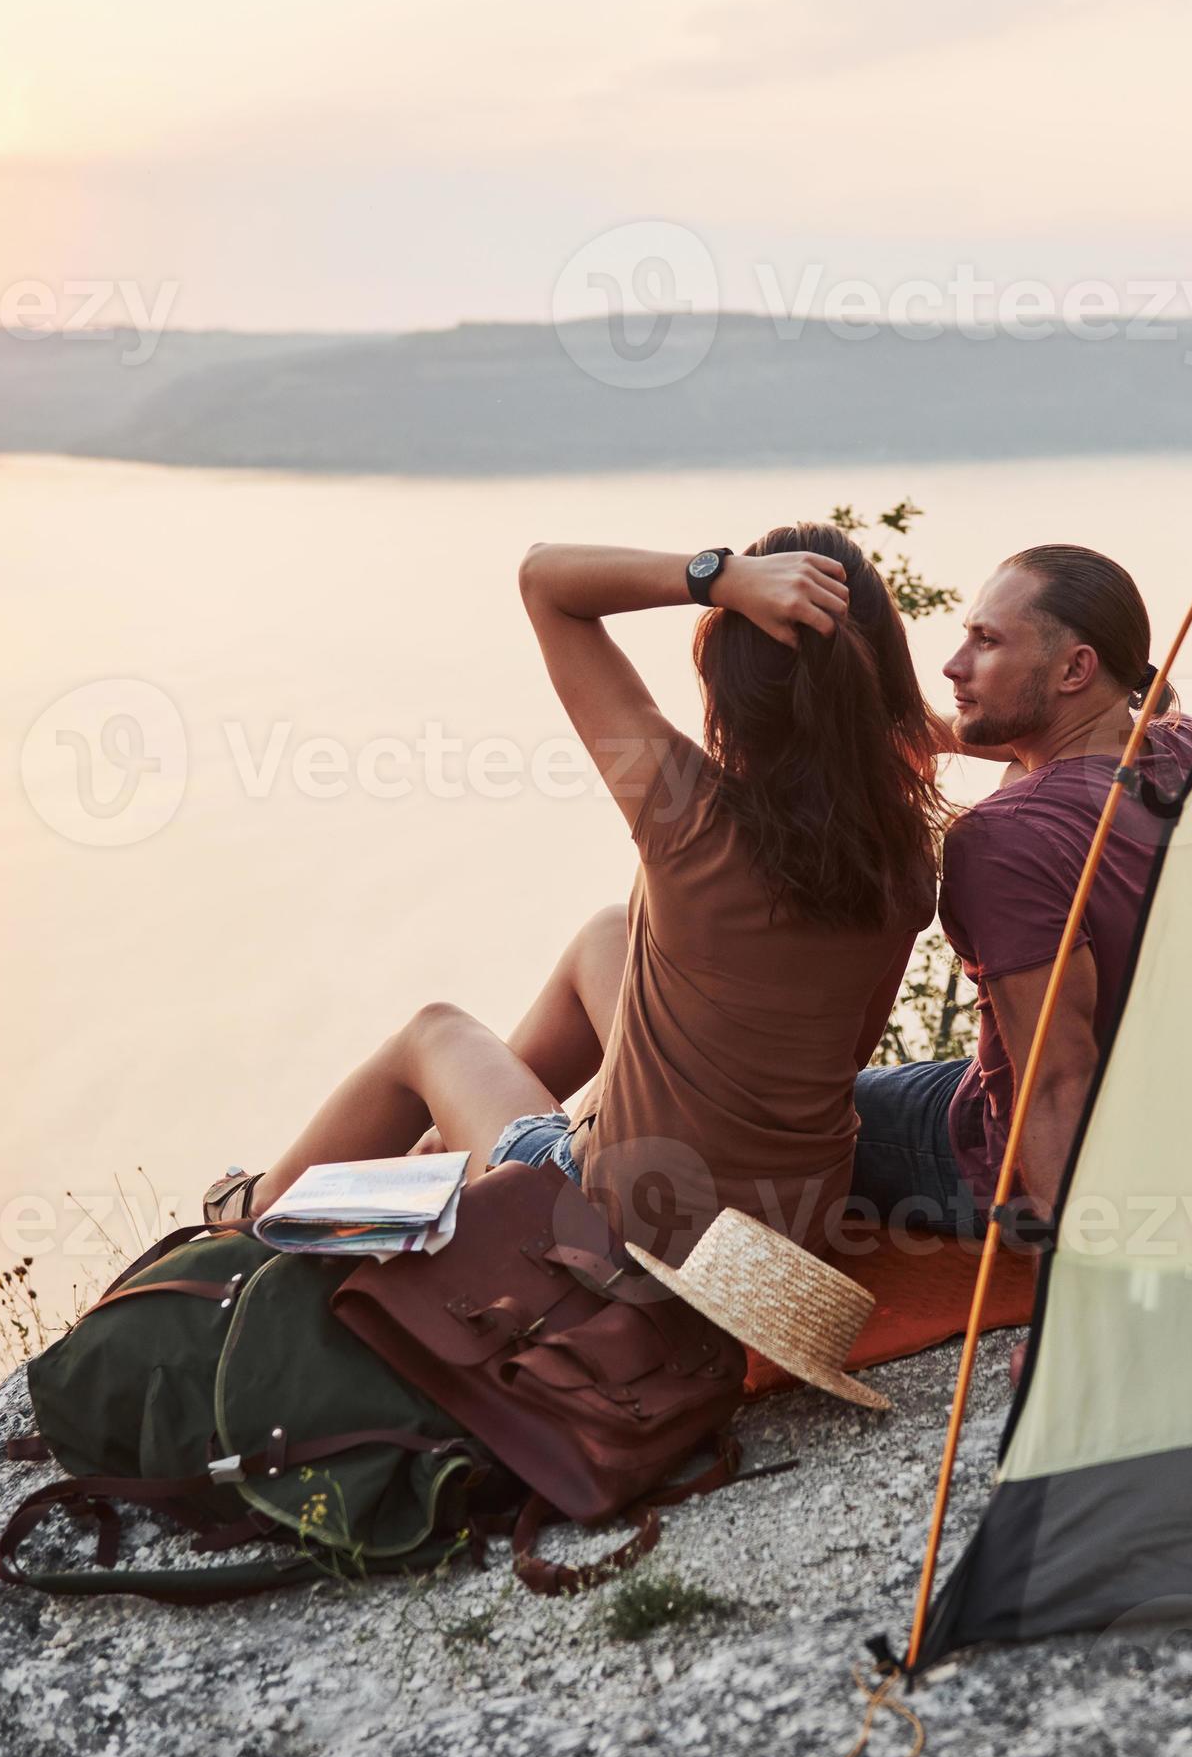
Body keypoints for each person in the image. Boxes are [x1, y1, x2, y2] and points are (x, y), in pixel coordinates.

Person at [242, 524, 946, 1263]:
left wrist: (719, 578)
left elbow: (546, 581)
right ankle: (456, 1141)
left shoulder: (687, 814)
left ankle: (254, 1213)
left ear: (732, 684)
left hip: (625, 1225)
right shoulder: (901, 864)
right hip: (791, 1228)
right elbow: (835, 1060)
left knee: (434, 1031)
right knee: (608, 935)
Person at [848, 544, 1192, 1240]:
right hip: (1177, 1109)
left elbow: (1055, 1084)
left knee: (806, 1118)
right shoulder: (1185, 745)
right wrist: (948, 735)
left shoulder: (1002, 838)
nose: (954, 665)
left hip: (1008, 1159)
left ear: (1076, 668)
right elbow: (1121, 719)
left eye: (986, 642)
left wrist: (1073, 1300)